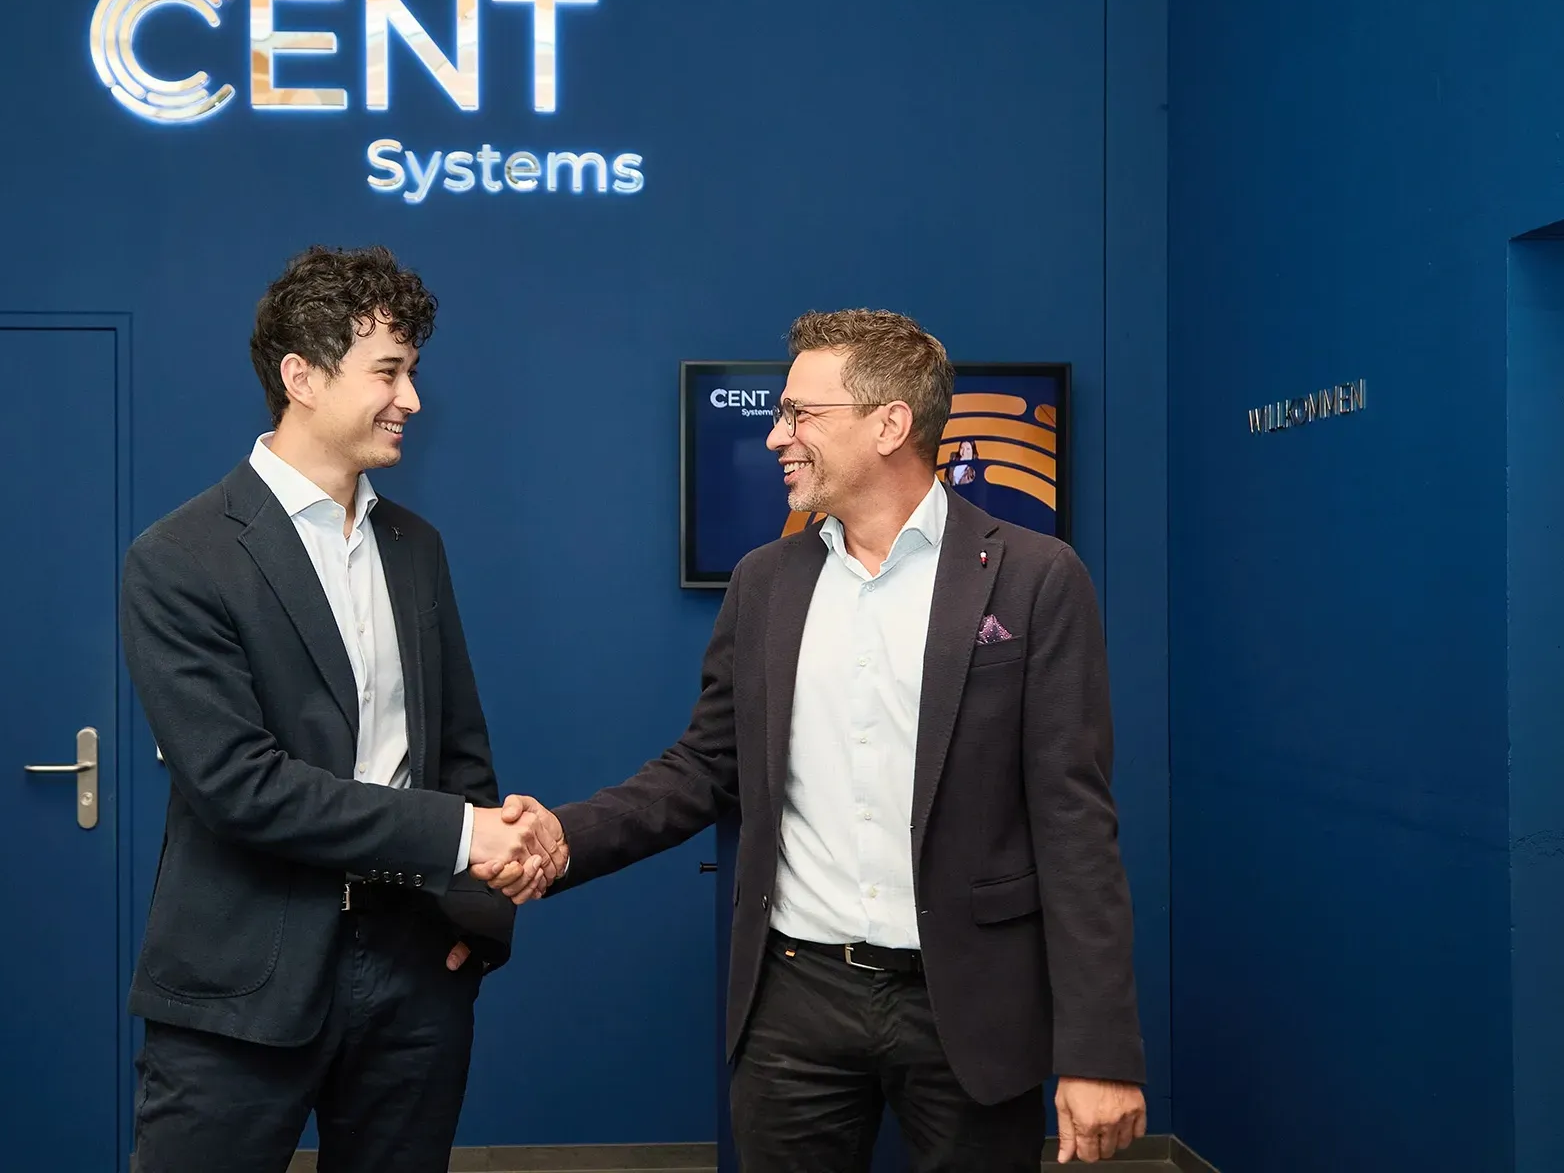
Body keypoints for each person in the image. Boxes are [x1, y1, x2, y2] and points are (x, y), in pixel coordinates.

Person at [486, 309, 1147, 1169]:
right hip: (795, 1003)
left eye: (799, 414)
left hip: (970, 1007)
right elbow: (705, 766)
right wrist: (564, 836)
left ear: (889, 424)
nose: (775, 438)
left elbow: (1075, 823)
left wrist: (1098, 1050)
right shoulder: (767, 581)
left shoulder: (1034, 578)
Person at [120, 244, 561, 1173]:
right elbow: (242, 788)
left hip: (413, 976)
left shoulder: (414, 545)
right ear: (301, 377)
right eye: (389, 372)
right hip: (241, 982)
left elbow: (459, 749)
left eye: (412, 373)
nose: (411, 399)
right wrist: (462, 837)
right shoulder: (181, 557)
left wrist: (470, 912)